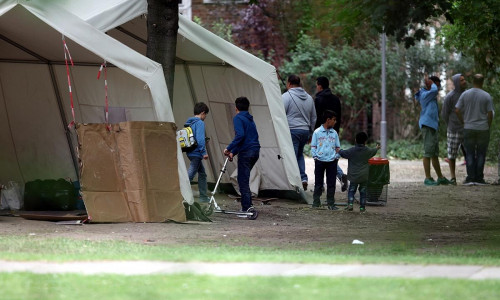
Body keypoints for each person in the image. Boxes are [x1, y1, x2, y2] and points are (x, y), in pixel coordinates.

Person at [455, 74, 494, 185]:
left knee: (470, 153)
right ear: (482, 82)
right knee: (481, 153)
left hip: (469, 127)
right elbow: (490, 113)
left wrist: (463, 122)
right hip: (483, 128)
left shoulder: (465, 94)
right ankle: (479, 178)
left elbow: (457, 110)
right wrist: (488, 125)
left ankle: (470, 178)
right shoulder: (486, 96)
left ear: (473, 81)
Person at [224, 97, 261, 212]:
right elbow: (247, 138)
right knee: (244, 178)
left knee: (242, 180)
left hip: (246, 152)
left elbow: (240, 136)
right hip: (255, 151)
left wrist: (228, 148)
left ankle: (247, 208)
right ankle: (247, 205)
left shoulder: (238, 118)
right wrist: (233, 153)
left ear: (236, 108)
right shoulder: (250, 119)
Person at [414, 75, 451, 186]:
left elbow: (435, 91)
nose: (438, 88)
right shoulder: (424, 94)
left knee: (434, 154)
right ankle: (427, 178)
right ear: (431, 84)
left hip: (433, 127)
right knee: (428, 152)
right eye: (437, 85)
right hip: (427, 126)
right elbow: (434, 90)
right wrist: (432, 83)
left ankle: (440, 177)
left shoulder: (431, 95)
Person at [282, 74, 317, 191]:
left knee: (291, 157)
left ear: (289, 84)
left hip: (292, 130)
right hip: (305, 131)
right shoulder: (309, 98)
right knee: (299, 155)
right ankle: (303, 178)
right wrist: (310, 132)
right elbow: (313, 118)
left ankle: (293, 182)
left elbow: (280, 114)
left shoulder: (286, 97)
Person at [314, 76, 348, 192]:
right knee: (331, 157)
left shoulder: (318, 99)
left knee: (320, 157)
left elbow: (317, 118)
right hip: (334, 132)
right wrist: (336, 131)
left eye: (317, 85)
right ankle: (340, 175)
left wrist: (314, 132)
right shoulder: (336, 99)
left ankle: (320, 186)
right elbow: (339, 116)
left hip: (321, 132)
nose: (316, 88)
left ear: (320, 86)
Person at [339, 132, 380, 213]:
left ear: (355, 140)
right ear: (365, 142)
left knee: (351, 190)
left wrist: (339, 150)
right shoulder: (368, 151)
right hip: (364, 176)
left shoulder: (351, 151)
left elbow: (343, 153)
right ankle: (362, 208)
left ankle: (350, 204)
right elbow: (373, 151)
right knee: (363, 192)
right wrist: (377, 148)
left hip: (353, 176)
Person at [310, 110, 340, 210]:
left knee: (331, 183)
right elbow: (313, 146)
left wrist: (336, 157)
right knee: (318, 182)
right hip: (320, 161)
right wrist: (316, 157)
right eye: (334, 120)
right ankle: (316, 202)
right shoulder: (317, 132)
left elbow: (337, 147)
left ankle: (331, 203)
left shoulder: (334, 133)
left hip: (332, 161)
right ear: (328, 120)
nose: (335, 122)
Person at [441, 74, 467, 185]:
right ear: (457, 82)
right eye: (462, 80)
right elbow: (444, 114)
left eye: (464, 79)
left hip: (467, 129)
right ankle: (453, 178)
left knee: (470, 154)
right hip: (454, 130)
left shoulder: (467, 95)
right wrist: (451, 125)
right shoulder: (450, 97)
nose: (464, 81)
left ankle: (471, 176)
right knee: (452, 154)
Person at [185, 102, 210, 203]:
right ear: (203, 113)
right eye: (205, 115)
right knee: (190, 175)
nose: (205, 117)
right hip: (197, 153)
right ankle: (181, 193)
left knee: (202, 174)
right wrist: (204, 152)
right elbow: (200, 139)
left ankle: (203, 197)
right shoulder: (199, 123)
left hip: (190, 151)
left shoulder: (189, 123)